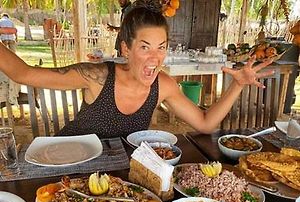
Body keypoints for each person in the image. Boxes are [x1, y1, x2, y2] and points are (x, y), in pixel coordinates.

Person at [0, 0, 274, 139]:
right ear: (126, 49)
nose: (155, 57)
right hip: (70, 164)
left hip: (118, 175)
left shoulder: (163, 85)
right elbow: (24, 74)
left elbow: (205, 124)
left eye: (161, 47)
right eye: (145, 47)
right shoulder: (97, 77)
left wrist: (237, 84)